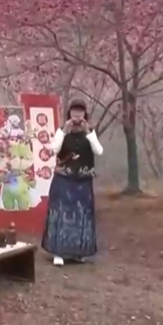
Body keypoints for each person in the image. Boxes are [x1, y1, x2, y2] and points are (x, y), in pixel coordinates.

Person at [41, 99, 104, 266]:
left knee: (82, 215)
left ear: (85, 114)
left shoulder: (90, 133)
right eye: (74, 111)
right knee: (61, 214)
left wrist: (88, 132)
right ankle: (58, 252)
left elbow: (99, 151)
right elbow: (53, 149)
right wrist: (63, 131)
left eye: (80, 112)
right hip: (64, 178)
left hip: (83, 180)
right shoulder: (62, 132)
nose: (77, 115)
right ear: (69, 113)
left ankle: (78, 252)